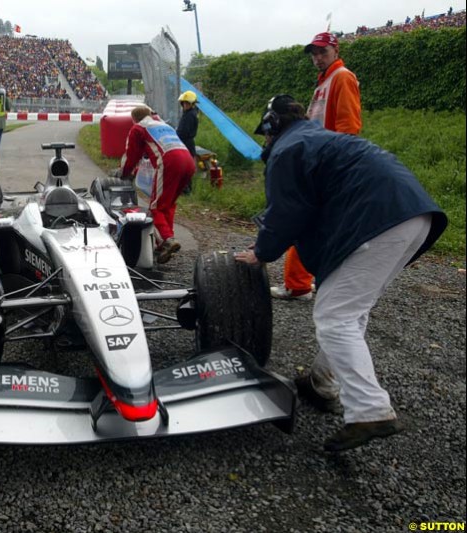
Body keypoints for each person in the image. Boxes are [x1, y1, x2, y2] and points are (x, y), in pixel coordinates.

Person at [235, 95, 447, 452]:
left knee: (335, 317)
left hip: (378, 220)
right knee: (350, 310)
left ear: (271, 125)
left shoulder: (289, 149)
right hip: (414, 216)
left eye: (266, 133)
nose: (265, 140)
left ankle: (370, 410)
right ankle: (321, 382)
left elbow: (287, 211)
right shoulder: (316, 138)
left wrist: (261, 253)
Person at [272, 31, 363, 301]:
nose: (317, 58)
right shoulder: (324, 81)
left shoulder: (342, 77)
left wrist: (339, 165)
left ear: (336, 51)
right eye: (314, 53)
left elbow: (348, 125)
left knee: (308, 222)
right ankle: (301, 283)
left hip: (329, 164)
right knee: (313, 223)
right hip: (318, 162)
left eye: (323, 52)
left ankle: (302, 284)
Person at [119, 105, 196, 264]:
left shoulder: (138, 128)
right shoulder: (162, 125)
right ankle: (166, 241)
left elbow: (132, 154)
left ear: (134, 119)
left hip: (170, 162)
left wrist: (125, 173)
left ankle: (167, 239)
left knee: (156, 206)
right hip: (188, 162)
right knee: (167, 203)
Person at [176, 90, 200, 195]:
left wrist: (176, 135)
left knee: (185, 167)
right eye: (184, 103)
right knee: (184, 166)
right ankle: (184, 188)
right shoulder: (189, 113)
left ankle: (186, 190)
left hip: (186, 143)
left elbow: (184, 131)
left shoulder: (190, 115)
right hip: (186, 142)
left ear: (192, 104)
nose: (185, 105)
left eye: (187, 103)